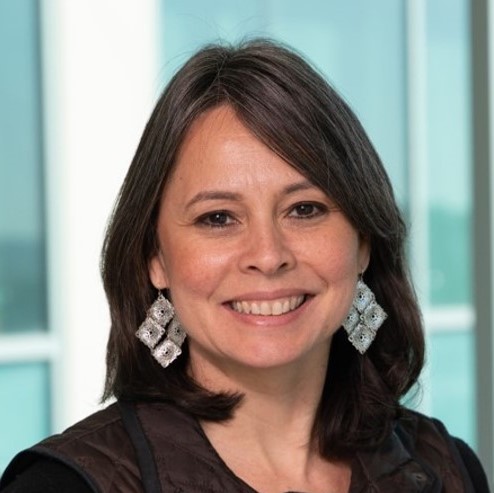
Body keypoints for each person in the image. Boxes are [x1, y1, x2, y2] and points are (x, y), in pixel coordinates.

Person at [0, 39, 489, 493]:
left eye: (305, 209)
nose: (268, 255)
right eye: (218, 218)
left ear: (363, 241)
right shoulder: (59, 486)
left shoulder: (448, 467)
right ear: (155, 258)